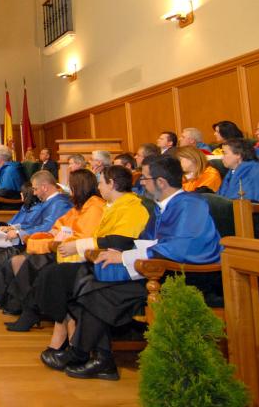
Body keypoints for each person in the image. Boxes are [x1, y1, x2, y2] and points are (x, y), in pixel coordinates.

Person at [49, 156, 222, 380]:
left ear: (160, 182)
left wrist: (125, 257)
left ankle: (87, 355)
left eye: (146, 178)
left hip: (185, 276)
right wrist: (121, 256)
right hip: (156, 269)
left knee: (95, 292)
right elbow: (145, 241)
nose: (142, 183)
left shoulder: (191, 205)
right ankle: (98, 357)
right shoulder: (163, 207)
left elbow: (182, 247)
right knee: (86, 284)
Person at [15, 166, 150, 351]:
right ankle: (70, 341)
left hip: (117, 267)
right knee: (52, 275)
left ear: (111, 184)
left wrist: (77, 246)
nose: (99, 187)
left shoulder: (132, 207)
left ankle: (76, 347)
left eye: (101, 183)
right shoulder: (113, 206)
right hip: (99, 259)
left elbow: (119, 241)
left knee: (55, 275)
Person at [0, 169, 106, 326]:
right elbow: (61, 224)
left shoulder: (95, 206)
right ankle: (29, 309)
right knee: (20, 260)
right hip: (60, 245)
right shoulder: (80, 206)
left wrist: (58, 236)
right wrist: (55, 232)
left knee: (26, 261)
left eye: (72, 187)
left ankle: (31, 312)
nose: (69, 191)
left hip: (74, 252)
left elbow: (84, 235)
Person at [0, 170, 72, 311]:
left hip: (45, 245)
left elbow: (47, 227)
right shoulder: (50, 201)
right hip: (32, 239)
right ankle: (3, 298)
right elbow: (34, 223)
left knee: (3, 257)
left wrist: (18, 232)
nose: (34, 193)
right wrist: (16, 229)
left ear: (44, 187)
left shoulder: (59, 203)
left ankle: (13, 302)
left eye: (35, 189)